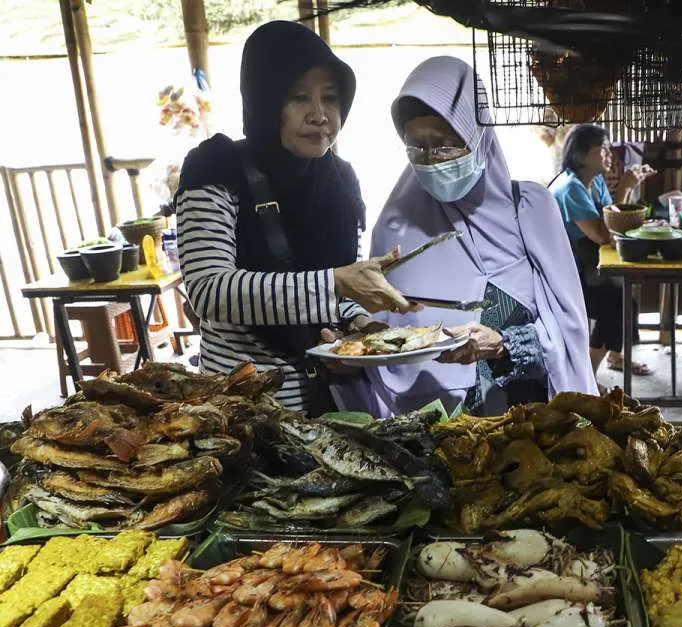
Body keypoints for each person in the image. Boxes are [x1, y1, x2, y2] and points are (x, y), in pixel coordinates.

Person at [175, 21, 414, 414]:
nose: (320, 115)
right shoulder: (215, 168)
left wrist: (363, 329)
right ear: (264, 100)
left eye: (331, 98)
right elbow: (208, 290)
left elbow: (338, 294)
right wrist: (336, 283)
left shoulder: (342, 182)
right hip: (240, 407)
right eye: (300, 97)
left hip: (325, 404)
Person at [356, 56, 597, 416]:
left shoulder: (529, 210)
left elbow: (569, 332)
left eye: (445, 144)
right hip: (427, 434)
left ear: (478, 135)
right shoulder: (396, 226)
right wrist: (358, 331)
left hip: (525, 430)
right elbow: (379, 333)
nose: (431, 160)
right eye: (416, 147)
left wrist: (503, 345)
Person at [549, 125, 656, 379]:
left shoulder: (594, 180)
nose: (609, 154)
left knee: (625, 296)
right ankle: (587, 378)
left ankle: (616, 358)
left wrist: (628, 189)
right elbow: (603, 233)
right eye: (603, 149)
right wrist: (625, 188)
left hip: (591, 266)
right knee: (616, 308)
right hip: (567, 275)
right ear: (582, 155)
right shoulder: (570, 188)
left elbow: (613, 217)